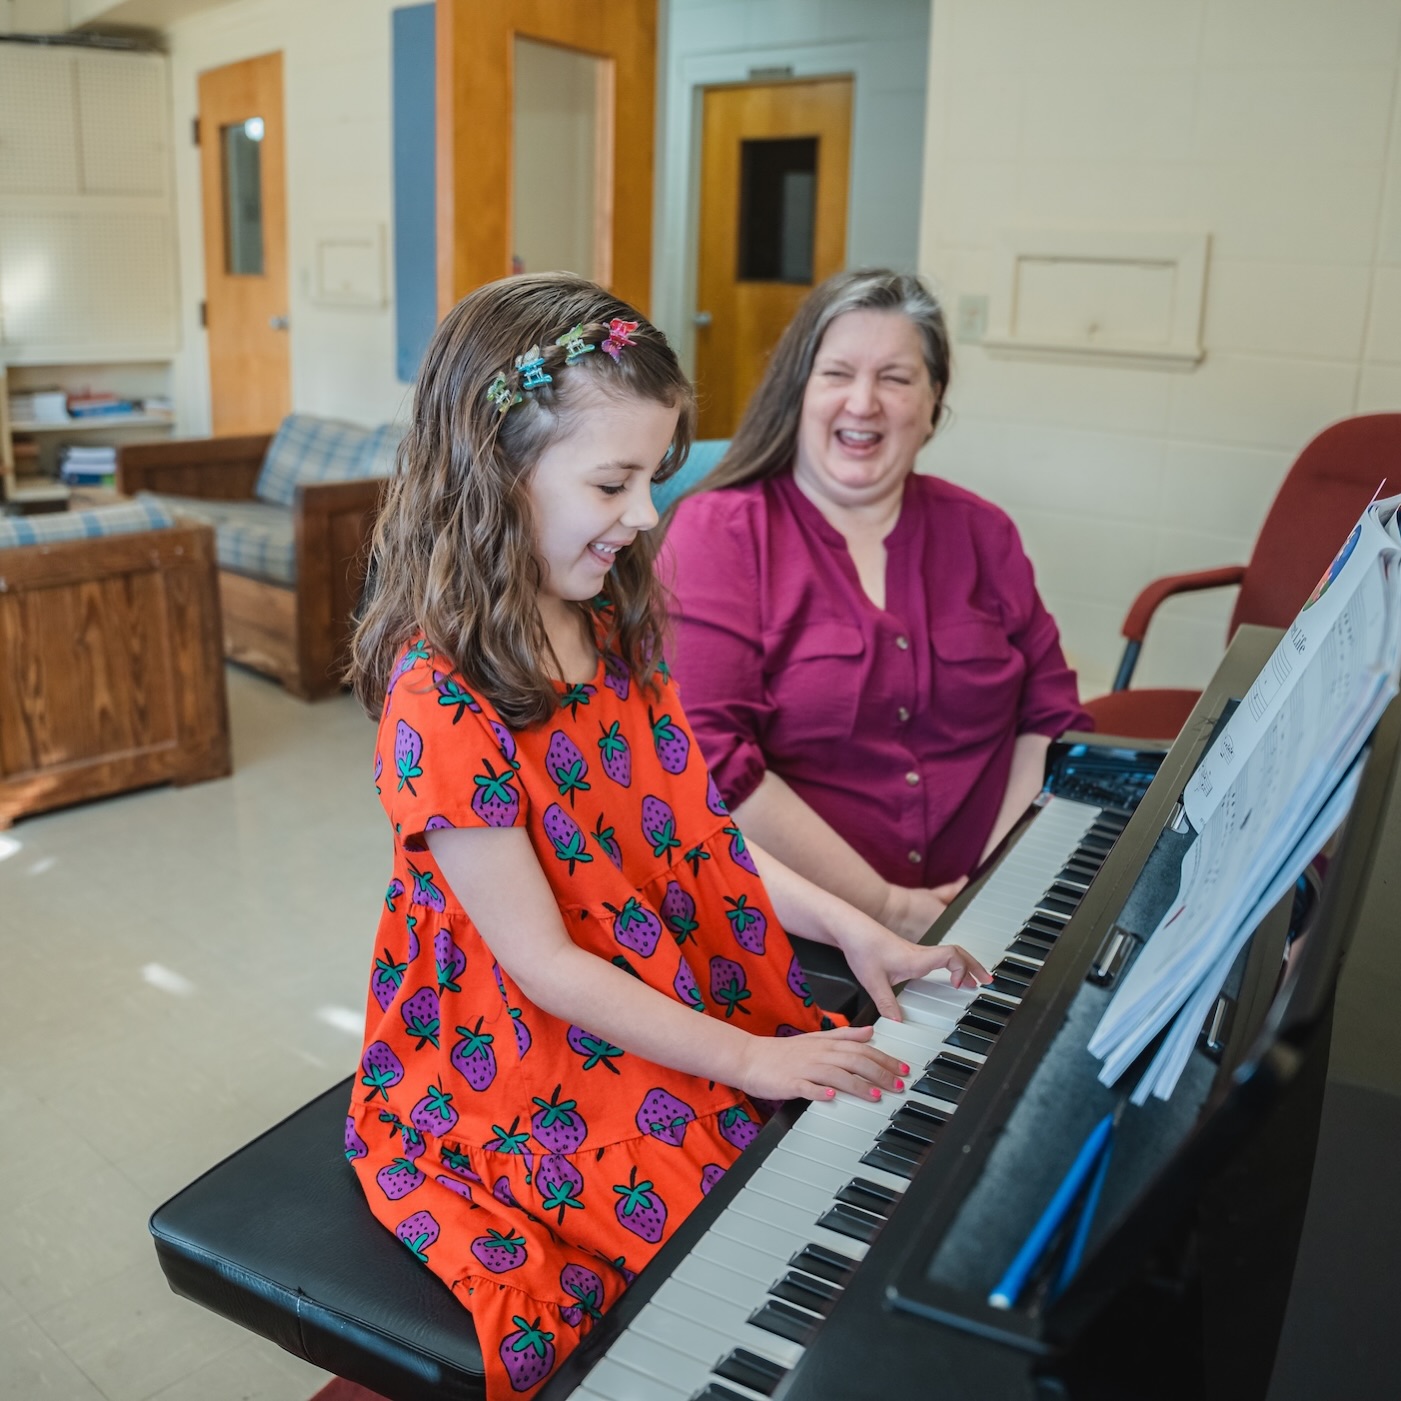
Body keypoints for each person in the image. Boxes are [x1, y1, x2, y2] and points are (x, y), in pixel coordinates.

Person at [345, 272, 989, 1399]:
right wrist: (748, 1056)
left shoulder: (611, 625)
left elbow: (699, 845)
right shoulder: (439, 703)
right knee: (718, 1209)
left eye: (656, 476)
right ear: (495, 471)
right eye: (615, 480)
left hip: (646, 973)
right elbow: (543, 967)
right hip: (510, 1045)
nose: (648, 513)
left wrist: (860, 925)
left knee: (836, 1125)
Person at [662, 269, 1092, 944]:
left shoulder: (983, 532)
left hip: (985, 922)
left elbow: (1051, 721)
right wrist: (888, 907)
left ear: (932, 403)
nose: (863, 402)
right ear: (798, 392)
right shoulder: (720, 532)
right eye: (836, 373)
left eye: (895, 378)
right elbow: (708, 756)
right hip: (805, 933)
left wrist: (992, 890)